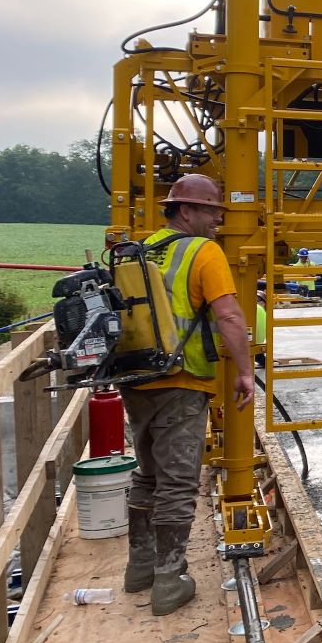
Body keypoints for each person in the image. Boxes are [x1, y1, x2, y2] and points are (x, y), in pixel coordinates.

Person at [121, 173, 254, 616]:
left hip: (135, 379)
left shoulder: (142, 249)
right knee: (177, 482)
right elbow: (230, 316)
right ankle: (169, 580)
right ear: (185, 210)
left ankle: (138, 570)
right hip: (181, 379)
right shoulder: (203, 252)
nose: (218, 219)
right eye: (211, 210)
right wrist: (246, 372)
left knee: (148, 473)